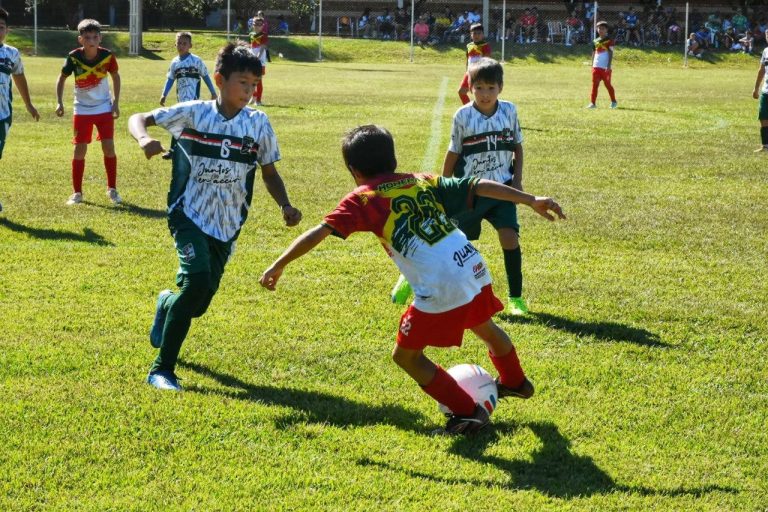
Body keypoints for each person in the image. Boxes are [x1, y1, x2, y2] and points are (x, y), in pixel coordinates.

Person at [259, 124, 565, 435]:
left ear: (354, 170)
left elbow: (318, 233)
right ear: (392, 159)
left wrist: (279, 264)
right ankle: (516, 382)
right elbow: (478, 184)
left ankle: (468, 412)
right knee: (484, 325)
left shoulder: (363, 198)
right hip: (470, 263)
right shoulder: (421, 180)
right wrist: (528, 199)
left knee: (406, 356)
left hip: (441, 283)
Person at [128, 42, 303, 391]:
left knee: (198, 303)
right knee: (194, 284)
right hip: (188, 212)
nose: (249, 91)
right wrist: (144, 138)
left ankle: (166, 302)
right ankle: (161, 370)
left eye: (254, 84)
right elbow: (139, 118)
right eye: (243, 83)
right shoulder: (195, 112)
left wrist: (285, 205)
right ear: (220, 80)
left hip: (228, 224)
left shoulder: (258, 123)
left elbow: (269, 173)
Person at [444, 58, 532, 316]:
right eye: (479, 87)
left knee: (509, 238)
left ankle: (516, 298)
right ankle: (427, 286)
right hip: (471, 190)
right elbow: (453, 151)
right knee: (456, 245)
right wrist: (444, 185)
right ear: (470, 88)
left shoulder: (509, 111)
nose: (485, 94)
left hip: (502, 188)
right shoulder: (463, 116)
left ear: (500, 88)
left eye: (490, 88)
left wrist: (517, 180)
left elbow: (518, 145)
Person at [55, 19, 121, 206]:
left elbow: (116, 77)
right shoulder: (73, 57)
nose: (91, 40)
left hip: (103, 108)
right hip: (82, 109)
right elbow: (61, 78)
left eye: (95, 37)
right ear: (80, 39)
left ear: (100, 38)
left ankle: (112, 189)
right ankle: (77, 193)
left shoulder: (108, 56)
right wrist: (59, 102)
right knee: (79, 149)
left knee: (109, 147)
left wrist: (115, 102)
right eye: (87, 37)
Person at [0, 7, 40, 214]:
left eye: (1, 27)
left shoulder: (11, 53)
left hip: (2, 115)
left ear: (7, 30)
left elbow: (19, 77)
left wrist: (29, 104)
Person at [159, 32, 217, 160]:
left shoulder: (196, 60)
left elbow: (206, 76)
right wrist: (164, 94)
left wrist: (213, 92)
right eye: (179, 43)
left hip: (194, 101)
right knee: (177, 123)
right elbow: (170, 79)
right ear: (175, 44)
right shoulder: (174, 62)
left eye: (184, 43)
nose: (181, 45)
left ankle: (202, 149)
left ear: (190, 45)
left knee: (195, 124)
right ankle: (173, 151)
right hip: (181, 102)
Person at [457, 23, 491, 105]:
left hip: (480, 74)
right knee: (461, 92)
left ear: (483, 35)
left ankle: (484, 111)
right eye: (474, 33)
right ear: (471, 35)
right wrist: (467, 71)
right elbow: (468, 59)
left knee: (480, 95)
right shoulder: (469, 45)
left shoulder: (485, 46)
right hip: (469, 73)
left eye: (479, 33)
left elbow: (487, 61)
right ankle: (469, 110)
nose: (476, 35)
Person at [587, 21, 617, 109]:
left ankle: (613, 101)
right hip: (596, 67)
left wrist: (608, 66)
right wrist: (592, 64)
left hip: (605, 68)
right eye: (599, 28)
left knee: (608, 85)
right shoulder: (595, 41)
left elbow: (611, 53)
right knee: (594, 85)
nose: (600, 30)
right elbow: (593, 53)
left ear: (606, 29)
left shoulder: (610, 40)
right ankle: (593, 103)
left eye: (602, 28)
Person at [752, 29, 768, 153]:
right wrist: (756, 88)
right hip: (766, 91)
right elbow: (761, 70)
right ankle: (765, 145)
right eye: (767, 35)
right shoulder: (766, 51)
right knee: (763, 117)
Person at [248, 16, 269, 105]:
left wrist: (258, 56)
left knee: (258, 80)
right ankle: (254, 96)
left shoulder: (264, 35)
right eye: (255, 24)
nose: (257, 26)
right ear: (252, 25)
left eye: (259, 24)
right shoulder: (251, 34)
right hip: (252, 59)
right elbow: (251, 46)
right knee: (250, 80)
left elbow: (263, 47)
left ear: (262, 25)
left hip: (260, 61)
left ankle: (258, 100)